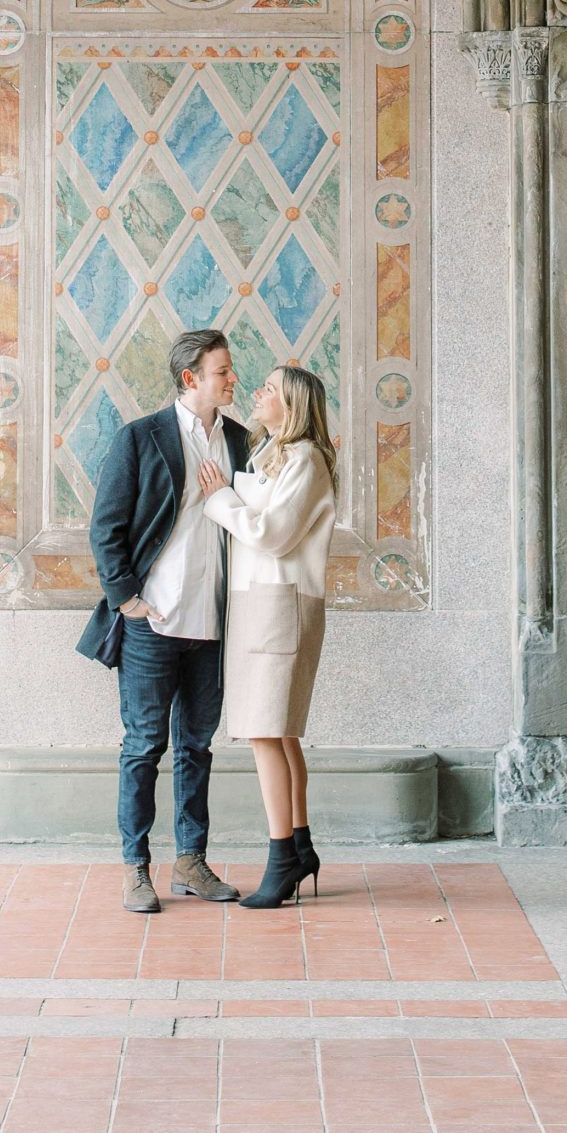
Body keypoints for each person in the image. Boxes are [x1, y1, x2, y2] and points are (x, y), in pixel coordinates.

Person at [78, 326, 250, 913]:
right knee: (144, 745)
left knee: (197, 746)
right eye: (223, 371)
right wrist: (127, 599)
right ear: (190, 378)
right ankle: (136, 868)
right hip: (153, 622)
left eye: (230, 370)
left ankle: (191, 862)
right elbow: (107, 527)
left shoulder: (242, 442)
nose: (233, 379)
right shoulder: (140, 438)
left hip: (214, 623)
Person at [198, 362, 338, 908]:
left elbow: (274, 534)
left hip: (279, 605)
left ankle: (281, 859)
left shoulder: (304, 458)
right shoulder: (274, 454)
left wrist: (220, 501)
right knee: (279, 733)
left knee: (264, 730)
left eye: (270, 389)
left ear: (294, 405)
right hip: (264, 604)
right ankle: (300, 848)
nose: (257, 392)